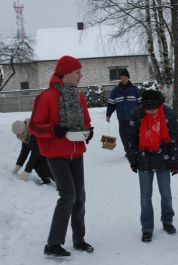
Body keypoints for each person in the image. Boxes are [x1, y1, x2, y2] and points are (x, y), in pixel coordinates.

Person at [29, 55, 94, 257]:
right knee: (68, 195)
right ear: (65, 73)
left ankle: (79, 239)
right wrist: (52, 130)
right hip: (56, 153)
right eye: (77, 73)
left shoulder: (78, 96)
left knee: (80, 197)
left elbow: (86, 120)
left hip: (76, 152)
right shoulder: (46, 97)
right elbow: (34, 126)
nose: (80, 76)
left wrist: (88, 131)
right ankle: (53, 244)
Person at [127, 89, 178, 243]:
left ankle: (167, 221)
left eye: (154, 109)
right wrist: (133, 159)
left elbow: (175, 137)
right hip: (144, 161)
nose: (151, 111)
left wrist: (174, 160)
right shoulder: (137, 114)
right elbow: (130, 137)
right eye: (148, 109)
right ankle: (147, 228)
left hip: (163, 161)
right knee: (145, 197)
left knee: (166, 194)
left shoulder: (168, 114)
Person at [106, 69, 142, 156]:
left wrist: (142, 114)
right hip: (122, 117)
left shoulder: (135, 90)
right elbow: (111, 103)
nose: (123, 79)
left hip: (133, 117)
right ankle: (128, 151)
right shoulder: (115, 91)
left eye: (125, 77)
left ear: (128, 78)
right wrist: (108, 114)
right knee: (123, 135)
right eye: (121, 77)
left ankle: (135, 149)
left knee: (134, 134)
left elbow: (140, 103)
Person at [11, 118, 54, 184]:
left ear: (22, 131)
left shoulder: (34, 134)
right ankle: (46, 179)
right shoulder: (25, 135)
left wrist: (27, 172)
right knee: (36, 164)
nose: (17, 136)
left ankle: (61, 184)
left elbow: (35, 155)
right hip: (42, 152)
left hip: (51, 150)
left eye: (18, 134)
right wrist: (17, 167)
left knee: (44, 164)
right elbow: (23, 153)